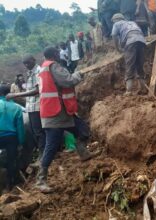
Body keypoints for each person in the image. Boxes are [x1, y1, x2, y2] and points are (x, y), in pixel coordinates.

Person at [36, 47, 92, 192]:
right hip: (55, 114)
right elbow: (67, 81)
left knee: (82, 129)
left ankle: (84, 153)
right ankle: (41, 180)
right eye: (57, 53)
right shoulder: (53, 66)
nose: (59, 55)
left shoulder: (43, 68)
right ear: (54, 55)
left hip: (60, 112)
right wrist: (78, 75)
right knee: (51, 146)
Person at [6, 56, 45, 165]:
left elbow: (37, 90)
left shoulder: (38, 71)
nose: (26, 65)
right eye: (25, 63)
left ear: (34, 60)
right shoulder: (30, 73)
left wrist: (16, 95)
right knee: (35, 131)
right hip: (30, 106)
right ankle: (42, 153)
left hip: (37, 105)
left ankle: (43, 155)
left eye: (28, 62)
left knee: (38, 131)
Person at [111, 13, 147, 95]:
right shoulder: (132, 22)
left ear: (115, 20)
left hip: (130, 41)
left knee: (129, 65)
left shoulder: (117, 24)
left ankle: (129, 90)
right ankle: (143, 88)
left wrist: (117, 48)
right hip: (141, 40)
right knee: (139, 65)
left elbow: (114, 35)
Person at [0, 84, 25, 191]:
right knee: (12, 160)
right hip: (11, 137)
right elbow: (20, 127)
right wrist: (21, 142)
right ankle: (9, 185)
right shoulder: (16, 107)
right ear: (9, 93)